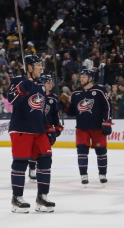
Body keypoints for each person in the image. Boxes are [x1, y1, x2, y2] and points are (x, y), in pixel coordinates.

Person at [8, 55, 57, 213]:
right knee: (21, 162)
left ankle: (42, 197)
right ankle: (17, 199)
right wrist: (22, 88)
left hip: (39, 130)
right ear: (29, 67)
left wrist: (48, 128)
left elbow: (41, 110)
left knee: (46, 159)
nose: (41, 67)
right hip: (21, 129)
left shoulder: (41, 86)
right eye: (37, 65)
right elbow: (11, 99)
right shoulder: (18, 81)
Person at [66, 69, 113, 185]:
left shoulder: (100, 90)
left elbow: (108, 106)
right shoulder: (76, 93)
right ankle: (83, 175)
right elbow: (72, 111)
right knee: (81, 151)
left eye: (84, 77)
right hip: (82, 128)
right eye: (80, 77)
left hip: (98, 128)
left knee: (101, 152)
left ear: (90, 78)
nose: (81, 79)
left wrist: (107, 122)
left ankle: (102, 174)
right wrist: (63, 107)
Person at [28, 75, 63, 183]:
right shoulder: (34, 95)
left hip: (46, 129)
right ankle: (32, 168)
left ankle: (40, 169)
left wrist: (57, 127)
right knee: (32, 149)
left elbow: (55, 115)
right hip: (34, 126)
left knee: (44, 151)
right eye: (48, 82)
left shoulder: (54, 98)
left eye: (51, 82)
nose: (50, 84)